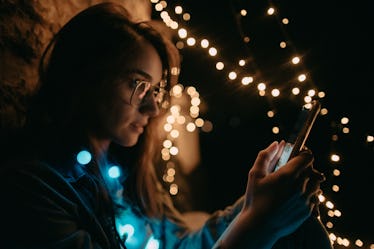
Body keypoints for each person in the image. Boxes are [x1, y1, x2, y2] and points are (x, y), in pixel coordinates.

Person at [0, 2, 333, 249]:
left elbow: (182, 244)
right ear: (86, 77)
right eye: (138, 85)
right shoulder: (32, 190)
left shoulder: (129, 179)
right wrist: (258, 222)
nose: (153, 106)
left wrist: (253, 202)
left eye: (156, 89)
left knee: (300, 225)